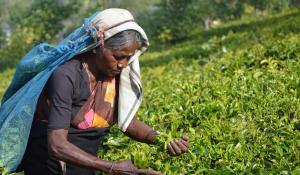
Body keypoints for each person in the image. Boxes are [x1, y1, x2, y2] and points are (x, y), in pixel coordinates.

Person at [10, 8, 190, 175]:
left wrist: (163, 141)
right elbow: (57, 145)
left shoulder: (116, 73)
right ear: (97, 46)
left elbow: (127, 121)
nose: (123, 64)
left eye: (129, 57)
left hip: (86, 164)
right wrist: (112, 167)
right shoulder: (66, 75)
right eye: (118, 56)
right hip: (49, 165)